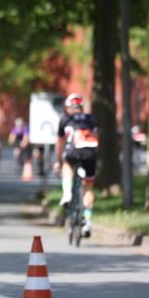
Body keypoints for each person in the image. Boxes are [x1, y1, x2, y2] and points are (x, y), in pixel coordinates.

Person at [54, 94, 99, 237]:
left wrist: (58, 161)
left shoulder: (65, 119)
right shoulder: (91, 118)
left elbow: (60, 142)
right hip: (90, 154)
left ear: (68, 107)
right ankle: (88, 222)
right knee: (88, 188)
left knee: (66, 164)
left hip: (73, 152)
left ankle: (67, 194)